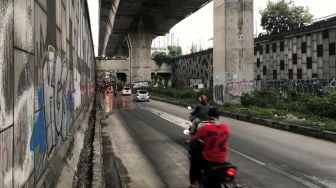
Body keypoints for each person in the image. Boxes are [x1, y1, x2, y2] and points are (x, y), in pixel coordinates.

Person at [188, 107, 230, 188]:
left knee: (194, 160)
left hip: (208, 159)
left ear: (208, 117)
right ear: (218, 117)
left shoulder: (205, 128)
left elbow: (194, 138)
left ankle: (194, 184)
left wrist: (189, 141)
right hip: (222, 159)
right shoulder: (226, 127)